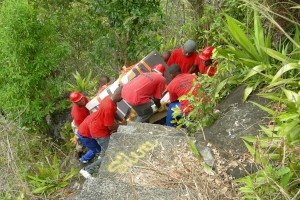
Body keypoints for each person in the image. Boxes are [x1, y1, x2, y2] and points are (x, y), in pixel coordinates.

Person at [80, 86, 125, 178]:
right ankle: (88, 170)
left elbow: (114, 112)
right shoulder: (108, 107)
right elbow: (111, 127)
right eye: (123, 96)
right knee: (113, 153)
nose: (123, 98)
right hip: (100, 132)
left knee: (105, 150)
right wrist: (123, 125)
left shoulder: (109, 98)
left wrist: (122, 120)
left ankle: (101, 158)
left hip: (96, 126)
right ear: (119, 94)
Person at [69, 92, 90, 156]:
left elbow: (88, 106)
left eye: (81, 98)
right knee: (81, 141)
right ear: (75, 103)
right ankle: (79, 153)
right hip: (79, 126)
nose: (82, 100)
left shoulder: (83, 99)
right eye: (79, 101)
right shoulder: (77, 114)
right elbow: (83, 127)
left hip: (86, 119)